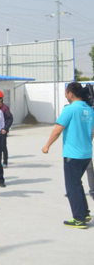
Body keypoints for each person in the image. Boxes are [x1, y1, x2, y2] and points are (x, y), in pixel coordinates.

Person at [42, 82, 94, 229]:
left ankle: (78, 219)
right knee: (77, 184)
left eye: (66, 93)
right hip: (86, 154)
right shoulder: (89, 109)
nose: (65, 95)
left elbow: (57, 130)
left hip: (73, 154)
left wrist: (47, 145)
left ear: (70, 93)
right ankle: (85, 213)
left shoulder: (70, 109)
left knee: (72, 187)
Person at [0, 91, 13, 168]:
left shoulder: (5, 108)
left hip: (3, 131)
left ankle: (5, 162)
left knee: (3, 147)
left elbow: (10, 119)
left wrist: (5, 128)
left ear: (0, 99)